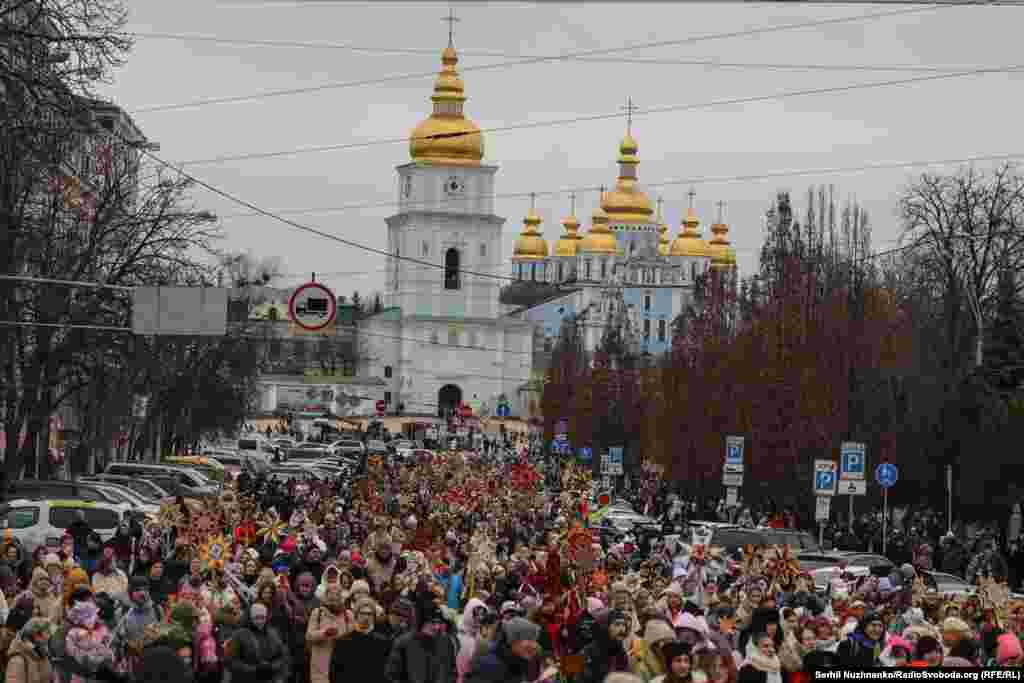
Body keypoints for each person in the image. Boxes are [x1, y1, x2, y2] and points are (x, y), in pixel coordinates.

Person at [385, 602, 458, 683]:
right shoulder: (403, 643)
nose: (437, 627)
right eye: (432, 622)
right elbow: (393, 675)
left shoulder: (446, 642)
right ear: (421, 622)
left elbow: (452, 673)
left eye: (439, 622)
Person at [328, 596, 390, 683]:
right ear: (356, 615)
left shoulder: (383, 642)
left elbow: (387, 672)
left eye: (369, 614)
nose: (366, 617)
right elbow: (334, 673)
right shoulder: (343, 642)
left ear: (374, 616)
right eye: (363, 613)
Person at [464, 616, 541, 683]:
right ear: (512, 640)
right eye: (528, 639)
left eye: (534, 640)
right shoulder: (488, 666)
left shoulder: (518, 663)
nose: (534, 645)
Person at [225, 603, 289, 683]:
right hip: (246, 678)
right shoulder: (240, 634)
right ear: (250, 618)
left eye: (263, 617)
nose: (260, 621)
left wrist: (272, 667)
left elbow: (282, 656)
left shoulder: (272, 633)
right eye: (256, 618)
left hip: (269, 678)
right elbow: (231, 661)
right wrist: (255, 669)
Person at [4, 617, 53, 683]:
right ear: (34, 635)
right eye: (47, 632)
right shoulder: (18, 660)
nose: (48, 637)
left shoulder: (42, 655)